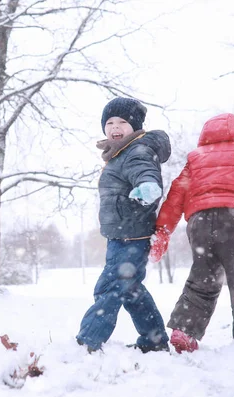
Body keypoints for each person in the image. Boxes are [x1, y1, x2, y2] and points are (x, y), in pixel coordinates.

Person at [149, 113, 234, 357]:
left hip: (200, 223)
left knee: (203, 278)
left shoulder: (196, 157)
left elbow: (177, 193)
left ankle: (185, 330)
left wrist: (163, 230)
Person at [75, 97, 171, 353]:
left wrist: (148, 186)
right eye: (110, 122)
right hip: (121, 235)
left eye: (122, 122)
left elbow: (144, 171)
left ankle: (88, 341)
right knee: (130, 290)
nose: (115, 127)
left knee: (109, 287)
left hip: (133, 234)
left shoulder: (136, 150)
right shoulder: (119, 153)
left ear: (135, 126)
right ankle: (154, 341)